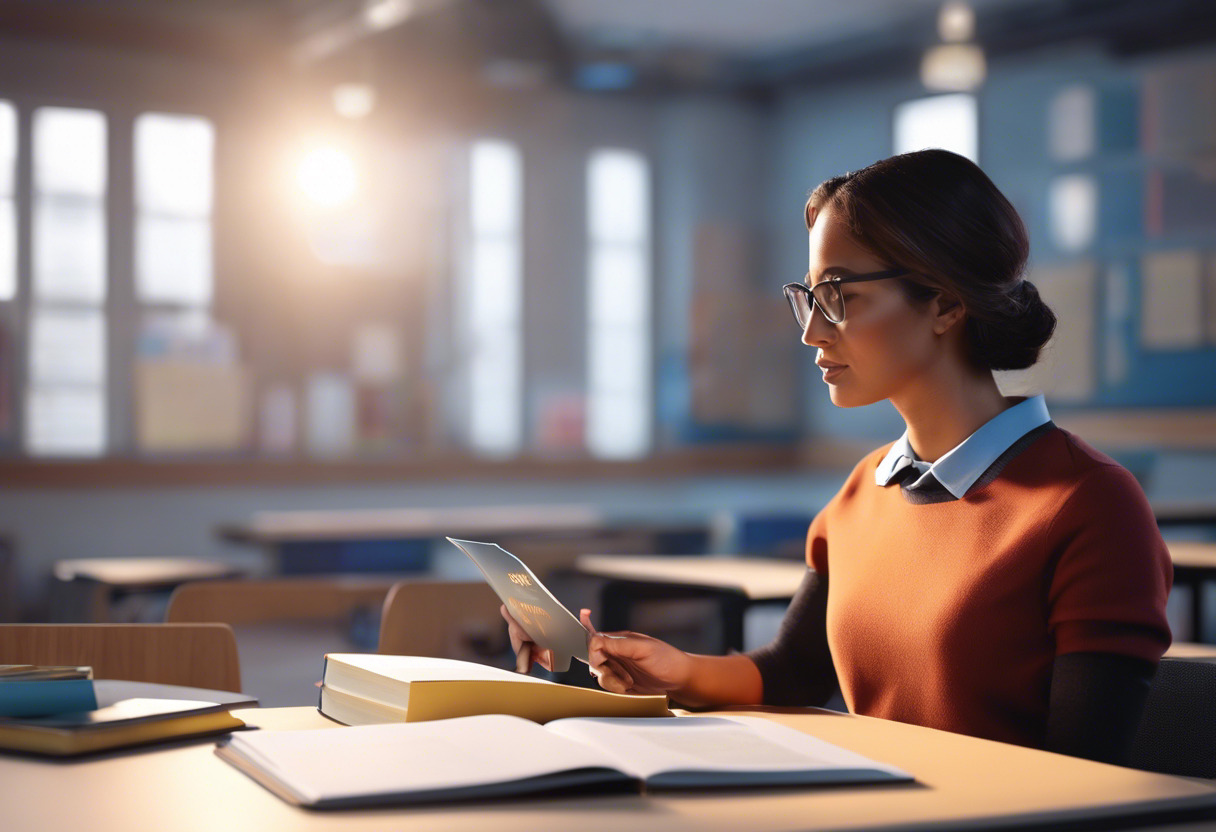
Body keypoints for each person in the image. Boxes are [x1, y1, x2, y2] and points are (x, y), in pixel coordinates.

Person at [502, 149, 1173, 765]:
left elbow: (1087, 780)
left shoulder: (1089, 506)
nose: (812, 332)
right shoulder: (865, 492)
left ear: (943, 302)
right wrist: (675, 671)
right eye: (809, 298)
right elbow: (793, 671)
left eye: (840, 298)